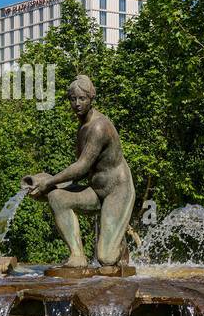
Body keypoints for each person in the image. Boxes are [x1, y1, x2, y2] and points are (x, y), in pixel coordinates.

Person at [24, 75, 136, 267]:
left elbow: (81, 166)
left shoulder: (99, 126)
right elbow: (82, 172)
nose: (77, 103)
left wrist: (49, 182)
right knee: (58, 198)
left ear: (91, 98)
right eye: (73, 99)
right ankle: (77, 256)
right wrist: (48, 186)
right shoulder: (82, 127)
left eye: (82, 98)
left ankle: (119, 246)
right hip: (95, 190)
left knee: (106, 258)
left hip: (117, 191)